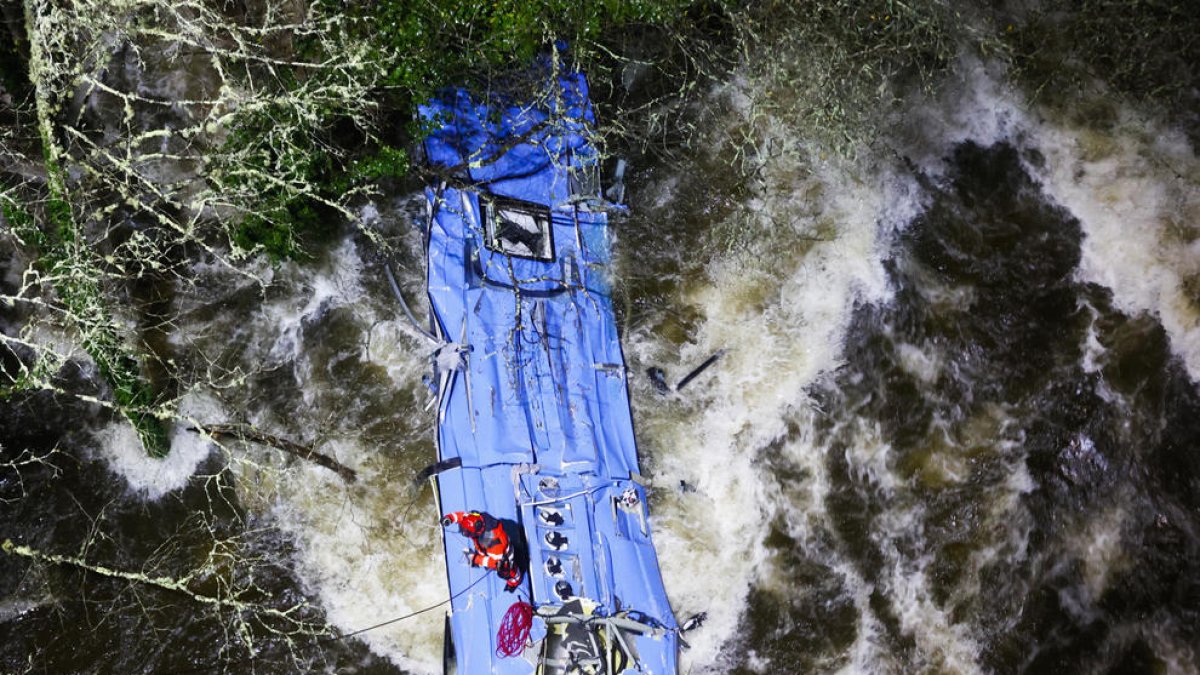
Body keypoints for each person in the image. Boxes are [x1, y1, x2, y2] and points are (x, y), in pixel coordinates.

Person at [442, 510, 523, 591]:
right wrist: (450, 518)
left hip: (503, 558)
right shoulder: (475, 518)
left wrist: (475, 559)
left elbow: (495, 562)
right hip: (490, 551)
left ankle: (514, 582)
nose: (466, 534)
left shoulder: (492, 542)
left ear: (477, 532)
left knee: (506, 571)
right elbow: (462, 516)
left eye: (468, 533)